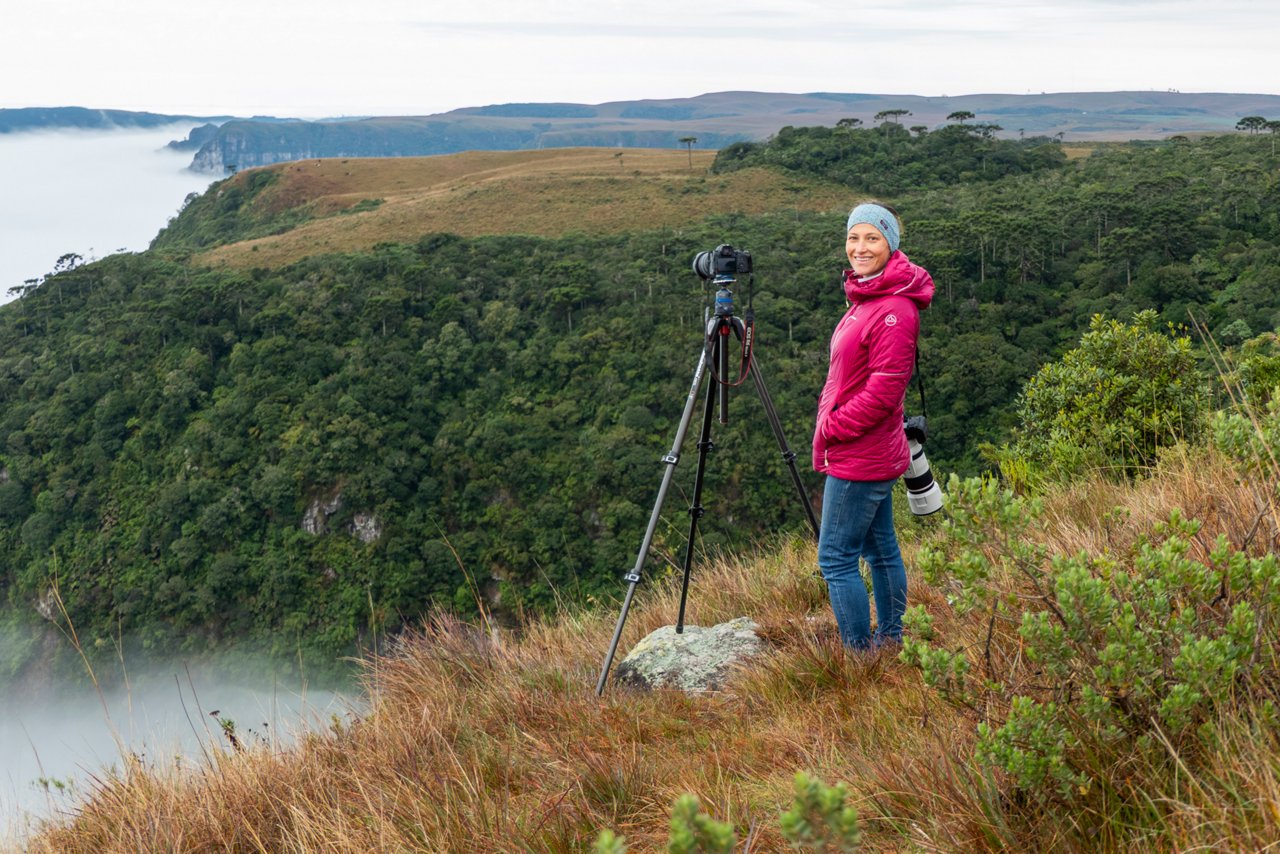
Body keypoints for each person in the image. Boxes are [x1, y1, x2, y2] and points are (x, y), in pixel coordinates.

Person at [812, 201, 935, 651]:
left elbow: (884, 392)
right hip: (871, 448)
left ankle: (861, 656)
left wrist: (834, 427)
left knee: (835, 558)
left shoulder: (894, 309)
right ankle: (891, 640)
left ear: (891, 245)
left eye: (872, 238)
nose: (859, 247)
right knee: (880, 550)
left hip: (860, 452)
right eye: (853, 237)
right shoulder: (868, 295)